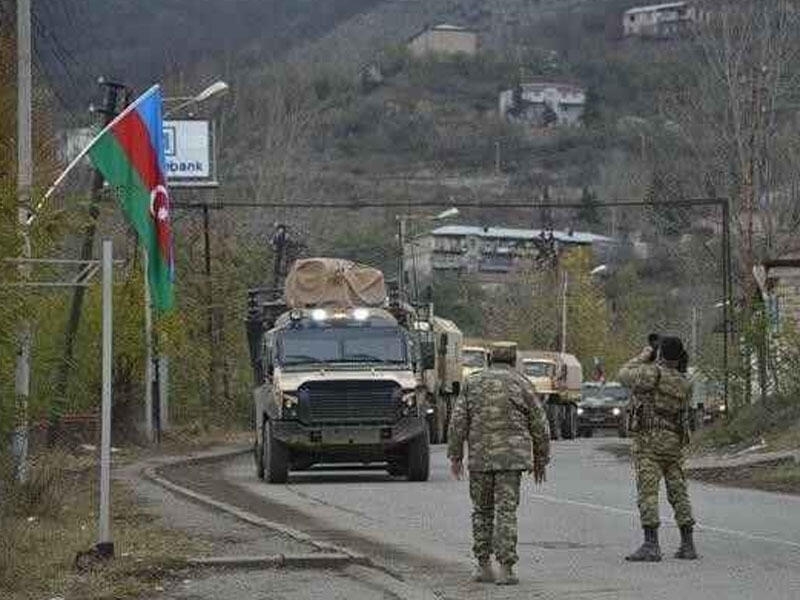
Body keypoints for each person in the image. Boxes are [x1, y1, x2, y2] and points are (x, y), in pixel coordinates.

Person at [447, 342, 550, 585]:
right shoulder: (522, 383)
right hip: (511, 460)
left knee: (481, 511)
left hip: (480, 459)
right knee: (506, 511)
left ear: (489, 358)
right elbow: (540, 425)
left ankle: (483, 566)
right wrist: (541, 459)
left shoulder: (472, 382)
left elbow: (458, 422)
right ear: (514, 360)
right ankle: (506, 569)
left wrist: (456, 456)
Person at [619, 336, 698, 562]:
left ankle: (651, 544)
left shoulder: (653, 373)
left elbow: (624, 375)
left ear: (661, 354)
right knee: (678, 492)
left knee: (648, 493)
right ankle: (688, 544)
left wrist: (644, 356)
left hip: (649, 443)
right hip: (673, 443)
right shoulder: (684, 381)